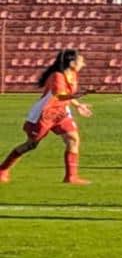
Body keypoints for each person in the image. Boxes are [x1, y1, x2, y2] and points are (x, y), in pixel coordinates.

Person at [0, 49, 92, 185]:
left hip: (61, 112)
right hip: (45, 114)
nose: (83, 64)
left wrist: (78, 105)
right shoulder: (57, 76)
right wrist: (76, 96)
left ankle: (71, 177)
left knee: (73, 139)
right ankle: (2, 170)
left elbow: (66, 94)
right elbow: (59, 95)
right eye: (81, 61)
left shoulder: (73, 74)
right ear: (72, 63)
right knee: (31, 144)